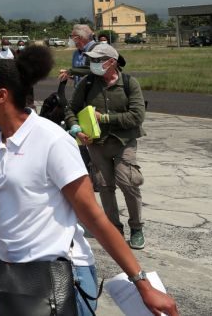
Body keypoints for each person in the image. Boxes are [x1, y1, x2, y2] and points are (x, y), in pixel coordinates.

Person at [0, 47, 177, 316]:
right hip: (9, 274)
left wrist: (141, 283)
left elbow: (94, 217)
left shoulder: (52, 141)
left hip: (58, 276)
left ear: (1, 96)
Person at [63, 43, 148, 250]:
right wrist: (76, 130)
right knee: (104, 185)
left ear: (112, 62)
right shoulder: (88, 82)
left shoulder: (129, 83)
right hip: (96, 143)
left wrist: (106, 118)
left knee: (128, 181)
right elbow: (70, 110)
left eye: (97, 60)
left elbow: (137, 116)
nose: (93, 64)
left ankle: (136, 227)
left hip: (123, 141)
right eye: (91, 60)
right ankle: (114, 228)